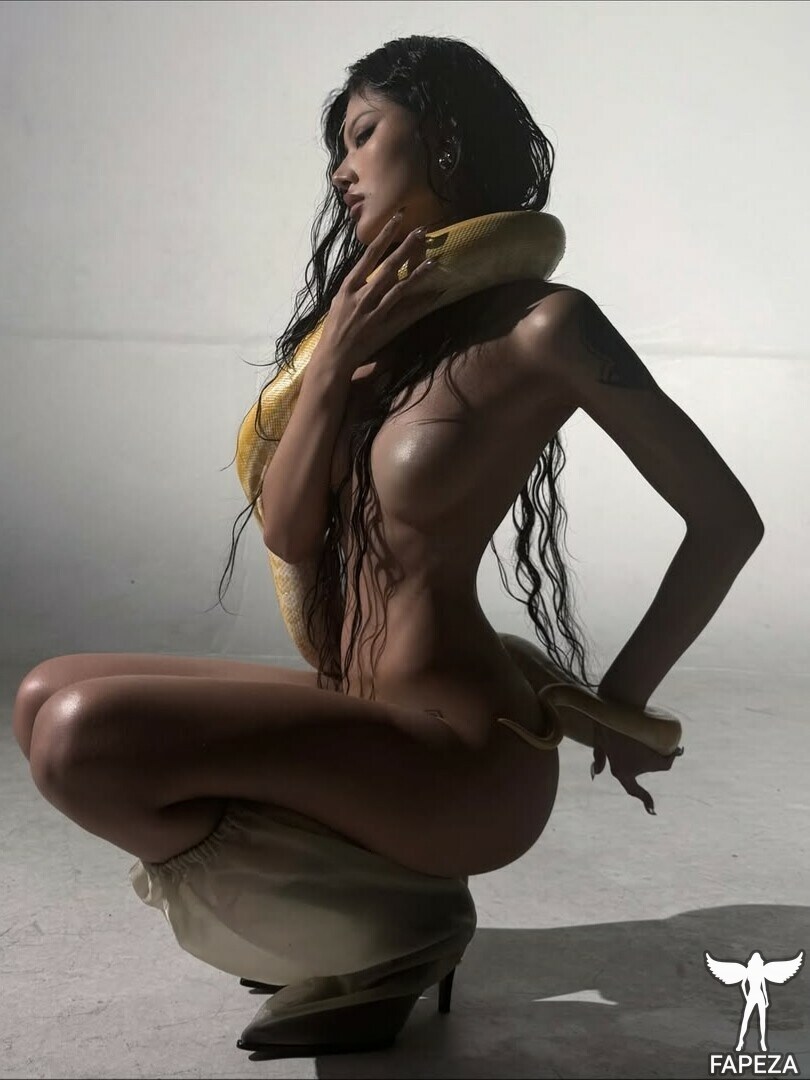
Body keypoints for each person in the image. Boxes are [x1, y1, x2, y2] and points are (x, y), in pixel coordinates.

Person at [12, 33, 763, 1051]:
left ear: (443, 141)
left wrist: (625, 701)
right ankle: (360, 922)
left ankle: (393, 934)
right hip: (359, 704)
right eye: (339, 147)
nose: (341, 168)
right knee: (42, 695)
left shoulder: (548, 327)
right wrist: (333, 364)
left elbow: (726, 521)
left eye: (364, 134)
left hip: (461, 753)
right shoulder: (378, 335)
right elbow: (290, 532)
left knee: (79, 738)